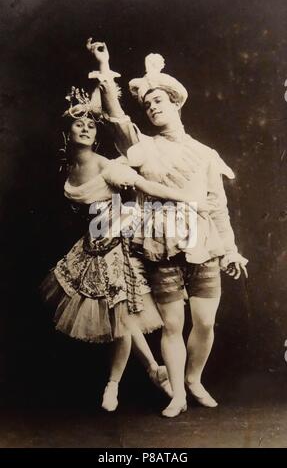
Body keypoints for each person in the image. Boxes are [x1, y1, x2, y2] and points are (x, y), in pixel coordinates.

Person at [88, 40, 248, 417]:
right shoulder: (144, 148)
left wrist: (230, 247)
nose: (153, 107)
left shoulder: (206, 154)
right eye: (147, 104)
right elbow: (117, 122)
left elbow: (217, 206)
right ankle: (177, 394)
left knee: (205, 322)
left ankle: (193, 379)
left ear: (175, 103)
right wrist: (106, 66)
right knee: (172, 325)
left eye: (159, 101)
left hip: (203, 245)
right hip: (161, 247)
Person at [41, 84, 197, 413]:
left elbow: (144, 185)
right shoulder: (67, 167)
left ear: (97, 133)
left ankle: (112, 385)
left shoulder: (105, 165)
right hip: (92, 247)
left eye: (91, 124)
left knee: (122, 320)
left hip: (121, 246)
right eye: (78, 123)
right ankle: (155, 370)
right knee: (121, 319)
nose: (84, 127)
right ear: (67, 130)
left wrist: (183, 197)